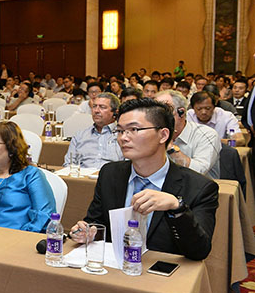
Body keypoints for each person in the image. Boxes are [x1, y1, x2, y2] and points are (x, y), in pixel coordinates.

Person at [71, 98, 216, 261]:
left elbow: (199, 251)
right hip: (114, 266)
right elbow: (96, 222)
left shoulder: (199, 187)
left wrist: (177, 208)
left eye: (134, 129)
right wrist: (89, 231)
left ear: (163, 135)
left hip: (160, 272)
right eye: (120, 131)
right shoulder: (110, 174)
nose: (123, 138)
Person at [155, 90, 220, 178]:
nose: (158, 118)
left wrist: (170, 147)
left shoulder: (207, 134)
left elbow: (199, 171)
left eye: (164, 112)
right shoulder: (152, 133)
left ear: (181, 112)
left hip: (198, 185)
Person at [62, 93, 122, 170]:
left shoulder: (123, 135)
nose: (96, 111)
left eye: (102, 107)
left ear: (115, 112)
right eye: (94, 106)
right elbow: (68, 164)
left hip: (111, 176)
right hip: (82, 176)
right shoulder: (80, 135)